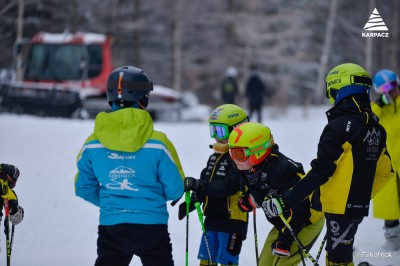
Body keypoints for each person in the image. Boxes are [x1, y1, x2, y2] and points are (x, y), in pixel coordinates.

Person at [262, 63, 393, 265]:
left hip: (339, 209)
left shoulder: (339, 127)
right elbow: (386, 172)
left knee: (338, 260)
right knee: (336, 257)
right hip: (353, 207)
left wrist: (287, 201)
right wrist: (361, 195)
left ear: (339, 90)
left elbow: (321, 171)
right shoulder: (375, 128)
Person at [74, 66, 185, 266]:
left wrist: (113, 202)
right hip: (152, 226)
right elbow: (176, 188)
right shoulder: (159, 144)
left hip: (112, 226)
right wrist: (148, 200)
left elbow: (83, 188)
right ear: (144, 99)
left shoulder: (92, 145)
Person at [228, 122, 324, 265]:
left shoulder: (284, 171)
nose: (234, 159)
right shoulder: (248, 168)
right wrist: (249, 200)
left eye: (239, 153)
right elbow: (257, 188)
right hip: (283, 223)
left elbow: (302, 209)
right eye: (231, 152)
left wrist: (285, 241)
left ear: (257, 151)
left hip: (307, 221)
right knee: (264, 263)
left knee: (282, 264)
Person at [178, 104, 249, 266]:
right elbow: (207, 183)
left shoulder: (240, 158)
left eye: (221, 131)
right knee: (206, 260)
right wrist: (195, 198)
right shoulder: (214, 157)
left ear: (236, 129)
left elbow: (229, 186)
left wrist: (200, 185)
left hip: (231, 221)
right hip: (212, 220)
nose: (216, 136)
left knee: (226, 260)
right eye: (213, 130)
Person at [371, 69, 400, 250]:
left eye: (393, 85)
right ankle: (393, 235)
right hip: (386, 161)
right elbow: (367, 120)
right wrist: (379, 104)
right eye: (385, 88)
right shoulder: (378, 109)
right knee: (387, 199)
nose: (390, 91)